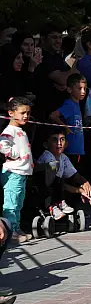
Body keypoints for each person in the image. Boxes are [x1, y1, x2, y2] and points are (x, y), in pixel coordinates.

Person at [36, 128, 91, 220]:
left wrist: (85, 182)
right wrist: (79, 190)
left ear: (66, 144)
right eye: (55, 140)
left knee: (64, 180)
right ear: (46, 144)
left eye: (62, 139)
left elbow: (73, 174)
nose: (59, 143)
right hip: (44, 187)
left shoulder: (63, 157)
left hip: (56, 186)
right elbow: (56, 182)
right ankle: (53, 206)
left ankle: (61, 203)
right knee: (57, 177)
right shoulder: (48, 156)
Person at [0, 96, 34, 244]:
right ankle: (10, 231)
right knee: (11, 204)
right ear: (11, 113)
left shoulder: (19, 130)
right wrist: (14, 154)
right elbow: (3, 144)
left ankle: (16, 227)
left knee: (18, 203)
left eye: (27, 112)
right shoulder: (10, 130)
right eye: (22, 112)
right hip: (13, 172)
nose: (26, 116)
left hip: (21, 173)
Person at [49, 74, 87, 166]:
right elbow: (53, 116)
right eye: (79, 88)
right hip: (70, 149)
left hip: (77, 148)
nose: (83, 92)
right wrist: (65, 127)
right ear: (70, 89)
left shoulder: (77, 105)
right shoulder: (69, 105)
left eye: (85, 89)